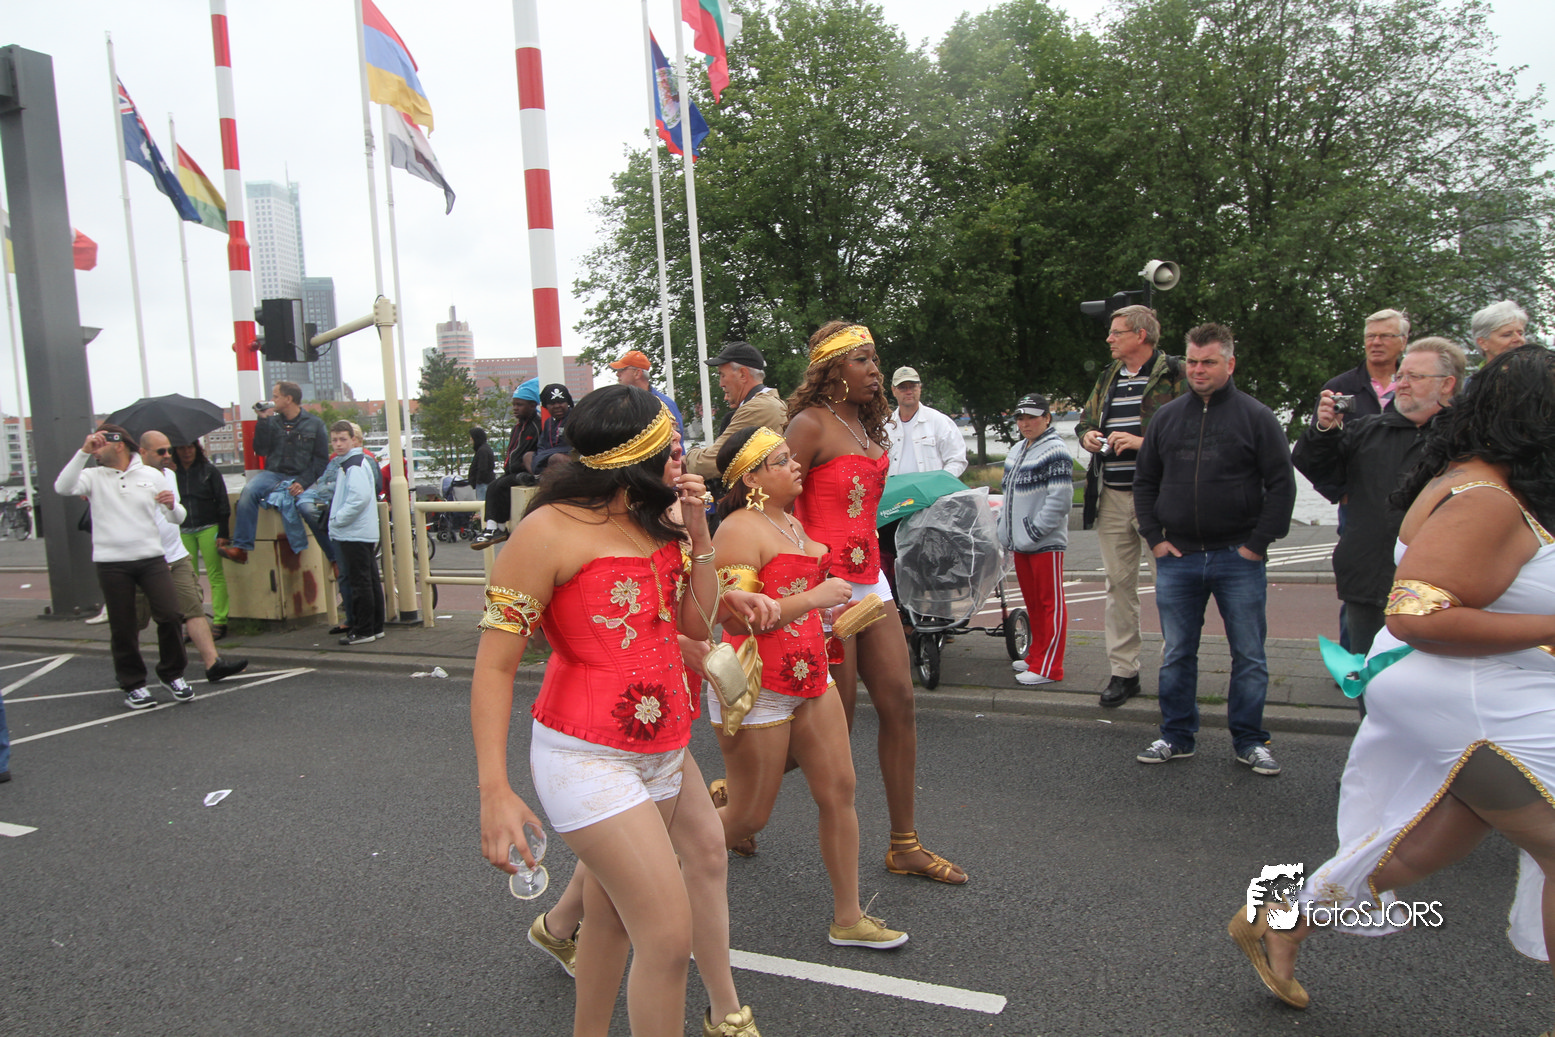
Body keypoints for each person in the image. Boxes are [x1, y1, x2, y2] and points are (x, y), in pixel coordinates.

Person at [1230, 347, 1555, 1017]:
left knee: (1435, 841)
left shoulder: (1478, 478)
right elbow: (1415, 615)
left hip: (1472, 693)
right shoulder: (1485, 497)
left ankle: (1280, 920)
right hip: (1471, 702)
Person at [472, 385, 777, 1037]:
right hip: (584, 756)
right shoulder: (545, 532)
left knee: (610, 915)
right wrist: (494, 790)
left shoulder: (658, 518)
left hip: (665, 748)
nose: (683, 459)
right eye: (671, 449)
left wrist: (698, 533)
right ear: (631, 460)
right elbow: (495, 666)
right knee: (666, 938)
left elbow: (693, 622)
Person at [707, 425, 910, 948]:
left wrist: (831, 617)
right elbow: (734, 620)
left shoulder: (792, 523)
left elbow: (798, 605)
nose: (795, 464)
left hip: (812, 674)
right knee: (748, 816)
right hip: (758, 683)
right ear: (751, 478)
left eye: (790, 457)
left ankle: (849, 917)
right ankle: (637, 875)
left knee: (839, 790)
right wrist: (816, 598)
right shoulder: (736, 530)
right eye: (780, 460)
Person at [786, 320, 968, 884]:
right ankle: (743, 792)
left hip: (873, 581)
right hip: (827, 588)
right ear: (832, 369)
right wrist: (799, 584)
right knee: (833, 724)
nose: (875, 371)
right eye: (862, 360)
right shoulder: (808, 425)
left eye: (875, 360)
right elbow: (773, 503)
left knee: (900, 703)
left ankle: (904, 844)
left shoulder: (868, 425)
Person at [1132, 323, 1296, 775]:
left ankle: (1250, 740)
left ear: (1230, 363)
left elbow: (1281, 484)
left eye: (1208, 362)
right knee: (1177, 652)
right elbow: (1145, 482)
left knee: (1249, 654)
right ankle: (1176, 735)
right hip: (1178, 557)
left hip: (1237, 556)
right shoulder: (1167, 418)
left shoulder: (1256, 417)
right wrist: (1155, 537)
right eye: (1192, 362)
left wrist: (1258, 544)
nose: (1198, 370)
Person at [1293, 337, 1464, 661]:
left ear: (1447, 384)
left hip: (1439, 590)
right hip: (1368, 582)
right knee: (1368, 677)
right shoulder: (1368, 430)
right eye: (1401, 376)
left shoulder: (1467, 440)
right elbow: (1318, 469)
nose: (1403, 384)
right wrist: (1324, 431)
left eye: (1415, 377)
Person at [1075, 305, 1185, 708]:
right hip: (1113, 496)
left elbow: (1194, 431)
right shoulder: (1109, 375)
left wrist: (1144, 443)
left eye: (1116, 332)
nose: (1108, 339)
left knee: (1171, 586)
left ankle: (1177, 672)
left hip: (1161, 498)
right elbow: (1085, 421)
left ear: (1141, 335)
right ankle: (1124, 672)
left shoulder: (1176, 373)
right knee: (1118, 586)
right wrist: (1088, 437)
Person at [54, 424, 189, 710]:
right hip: (112, 563)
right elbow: (62, 487)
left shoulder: (151, 475)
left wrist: (171, 506)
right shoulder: (93, 477)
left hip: (151, 558)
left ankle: (172, 673)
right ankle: (133, 684)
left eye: (99, 445)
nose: (95, 450)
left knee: (170, 615)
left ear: (118, 444)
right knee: (123, 625)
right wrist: (83, 452)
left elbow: (177, 518)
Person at [1314, 307, 1410, 652]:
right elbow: (1317, 448)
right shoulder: (1341, 387)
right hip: (1359, 506)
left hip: (1410, 506)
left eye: (1385, 336)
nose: (1376, 342)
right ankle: (1353, 661)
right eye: (1370, 336)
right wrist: (1340, 492)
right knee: (1358, 589)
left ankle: (1401, 655)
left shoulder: (1413, 384)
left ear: (1403, 342)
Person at [139, 431, 248, 687]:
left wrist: (223, 533)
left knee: (199, 595)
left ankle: (215, 649)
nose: (173, 454)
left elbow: (206, 506)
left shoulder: (198, 472)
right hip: (155, 549)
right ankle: (131, 668)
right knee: (139, 615)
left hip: (195, 534)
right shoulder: (142, 478)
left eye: (171, 450)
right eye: (164, 451)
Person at [997, 393, 1072, 687]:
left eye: (1032, 417)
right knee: (1034, 603)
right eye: (1021, 418)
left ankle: (1051, 667)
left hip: (1044, 543)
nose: (1025, 423)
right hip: (1021, 543)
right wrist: (1006, 531)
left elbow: (1060, 500)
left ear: (1047, 418)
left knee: (1050, 603)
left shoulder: (1056, 451)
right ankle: (1037, 656)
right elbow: (1008, 495)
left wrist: (1034, 531)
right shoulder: (1018, 449)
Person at [220, 381, 329, 564]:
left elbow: (321, 461)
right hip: (274, 473)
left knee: (310, 509)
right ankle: (241, 548)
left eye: (276, 396)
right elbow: (261, 449)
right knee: (249, 491)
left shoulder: (315, 424)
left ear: (288, 399)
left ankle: (333, 558)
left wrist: (303, 482)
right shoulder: (272, 422)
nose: (272, 400)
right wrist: (263, 420)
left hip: (302, 475)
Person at [683, 342, 787, 482]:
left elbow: (713, 462)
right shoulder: (768, 403)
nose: (721, 384)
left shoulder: (757, 408)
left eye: (722, 375)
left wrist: (687, 457)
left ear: (743, 374)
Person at [326, 421, 385, 646]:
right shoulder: (356, 462)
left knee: (360, 582)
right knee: (369, 580)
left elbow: (358, 498)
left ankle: (363, 630)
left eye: (343, 439)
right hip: (361, 531)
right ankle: (375, 627)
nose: (338, 444)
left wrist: (337, 519)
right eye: (334, 440)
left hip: (353, 532)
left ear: (353, 440)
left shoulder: (353, 465)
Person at [471, 378, 543, 549]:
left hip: (525, 472)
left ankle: (495, 528)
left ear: (532, 405)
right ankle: (495, 527)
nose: (515, 408)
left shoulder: (537, 426)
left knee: (498, 486)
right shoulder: (517, 428)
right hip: (512, 471)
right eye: (514, 404)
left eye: (520, 404)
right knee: (495, 486)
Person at [172, 440, 231, 639]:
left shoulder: (209, 471)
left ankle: (220, 620)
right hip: (183, 528)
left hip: (209, 526)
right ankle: (192, 621)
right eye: (182, 448)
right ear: (175, 451)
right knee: (188, 580)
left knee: (215, 575)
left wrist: (223, 533)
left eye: (190, 447)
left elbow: (222, 501)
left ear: (197, 449)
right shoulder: (171, 473)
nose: (187, 452)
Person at [885, 366, 967, 477]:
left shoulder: (939, 421)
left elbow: (957, 460)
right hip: (895, 488)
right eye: (902, 388)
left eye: (913, 386)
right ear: (893, 390)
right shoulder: (885, 427)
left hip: (933, 488)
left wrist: (938, 482)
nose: (908, 392)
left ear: (920, 388)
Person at [610, 348, 685, 436]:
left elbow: (676, 439)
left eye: (622, 369)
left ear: (637, 373)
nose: (617, 374)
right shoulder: (620, 404)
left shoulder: (664, 404)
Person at [531, 383, 574, 474]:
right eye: (552, 403)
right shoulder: (548, 422)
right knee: (528, 456)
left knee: (557, 458)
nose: (557, 406)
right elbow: (541, 445)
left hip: (571, 458)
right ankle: (536, 477)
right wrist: (543, 455)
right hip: (547, 456)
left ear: (568, 403)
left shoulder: (575, 418)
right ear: (546, 406)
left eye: (561, 402)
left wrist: (546, 455)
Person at [467, 426, 495, 501]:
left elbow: (482, 468)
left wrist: (478, 481)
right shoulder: (485, 448)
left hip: (483, 484)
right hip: (485, 482)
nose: (470, 439)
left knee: (482, 503)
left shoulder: (482, 451)